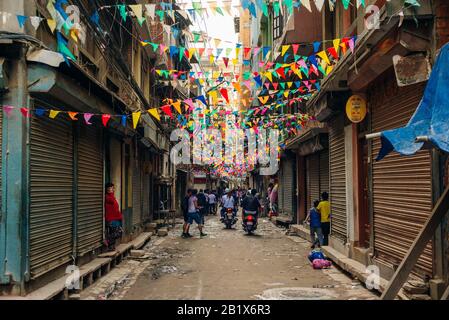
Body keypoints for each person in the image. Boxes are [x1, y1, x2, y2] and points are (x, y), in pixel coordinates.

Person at [104, 183, 123, 251]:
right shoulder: (108, 197)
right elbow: (111, 202)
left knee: (114, 232)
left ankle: (111, 247)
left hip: (115, 219)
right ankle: (107, 240)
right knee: (118, 232)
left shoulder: (112, 197)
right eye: (108, 188)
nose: (110, 189)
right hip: (111, 219)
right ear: (106, 189)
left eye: (111, 188)